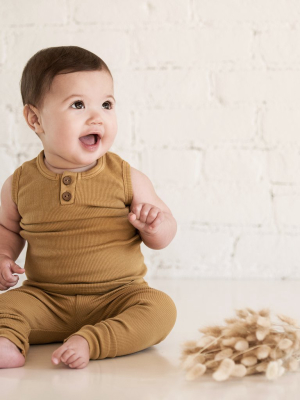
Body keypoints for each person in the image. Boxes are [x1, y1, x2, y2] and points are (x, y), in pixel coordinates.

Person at [0, 46, 177, 369]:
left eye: (107, 104)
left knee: (160, 309)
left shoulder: (127, 177)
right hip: (45, 298)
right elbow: (8, 229)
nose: (97, 116)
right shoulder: (19, 182)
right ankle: (7, 340)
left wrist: (155, 226)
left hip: (117, 297)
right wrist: (4, 256)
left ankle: (92, 340)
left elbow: (164, 234)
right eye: (78, 105)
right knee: (6, 307)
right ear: (35, 119)